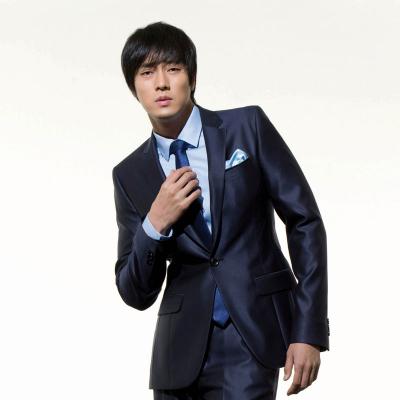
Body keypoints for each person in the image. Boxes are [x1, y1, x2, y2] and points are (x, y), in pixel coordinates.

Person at [112, 21, 330, 400]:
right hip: (177, 353)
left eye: (173, 69)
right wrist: (154, 224)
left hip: (251, 336)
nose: (161, 83)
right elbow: (135, 292)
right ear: (134, 88)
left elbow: (305, 222)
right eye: (147, 73)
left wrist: (308, 329)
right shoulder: (130, 174)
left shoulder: (247, 127)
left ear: (192, 78)